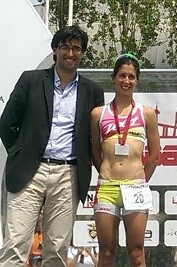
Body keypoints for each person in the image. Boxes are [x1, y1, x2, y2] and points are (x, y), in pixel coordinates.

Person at [0, 25, 104, 267]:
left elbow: (93, 137)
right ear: (55, 50)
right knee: (15, 245)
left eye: (76, 48)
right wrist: (19, 152)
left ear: (82, 53)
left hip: (68, 174)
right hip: (29, 171)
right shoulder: (31, 80)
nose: (70, 53)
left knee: (57, 249)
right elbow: (6, 123)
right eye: (65, 47)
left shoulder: (93, 91)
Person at [90, 53, 160, 267]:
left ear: (137, 80)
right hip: (107, 187)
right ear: (113, 78)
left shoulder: (146, 113)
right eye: (122, 75)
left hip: (135, 187)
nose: (126, 81)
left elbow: (155, 154)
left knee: (137, 253)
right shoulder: (98, 113)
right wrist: (104, 171)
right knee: (107, 252)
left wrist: (140, 180)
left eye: (131, 76)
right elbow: (94, 151)